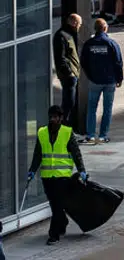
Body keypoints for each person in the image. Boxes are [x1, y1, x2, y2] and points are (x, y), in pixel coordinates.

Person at [28, 105, 86, 245]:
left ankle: (53, 235)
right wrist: (32, 170)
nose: (53, 119)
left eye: (56, 117)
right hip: (47, 177)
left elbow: (76, 153)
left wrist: (82, 170)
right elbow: (38, 154)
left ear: (61, 118)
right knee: (55, 205)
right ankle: (63, 222)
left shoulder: (67, 132)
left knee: (58, 204)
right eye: (51, 117)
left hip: (63, 176)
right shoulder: (42, 132)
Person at [80, 18, 122, 143]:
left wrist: (90, 75)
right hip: (110, 81)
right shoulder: (111, 43)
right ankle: (103, 135)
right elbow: (118, 62)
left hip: (95, 81)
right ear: (105, 28)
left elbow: (84, 62)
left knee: (92, 108)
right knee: (107, 108)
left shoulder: (89, 44)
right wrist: (119, 78)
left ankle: (90, 135)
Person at [52, 14, 82, 129]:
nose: (79, 27)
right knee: (68, 104)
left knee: (70, 103)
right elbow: (61, 57)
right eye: (79, 24)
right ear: (74, 23)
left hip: (71, 74)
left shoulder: (68, 34)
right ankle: (61, 128)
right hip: (68, 76)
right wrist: (69, 73)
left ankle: (64, 128)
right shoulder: (62, 35)